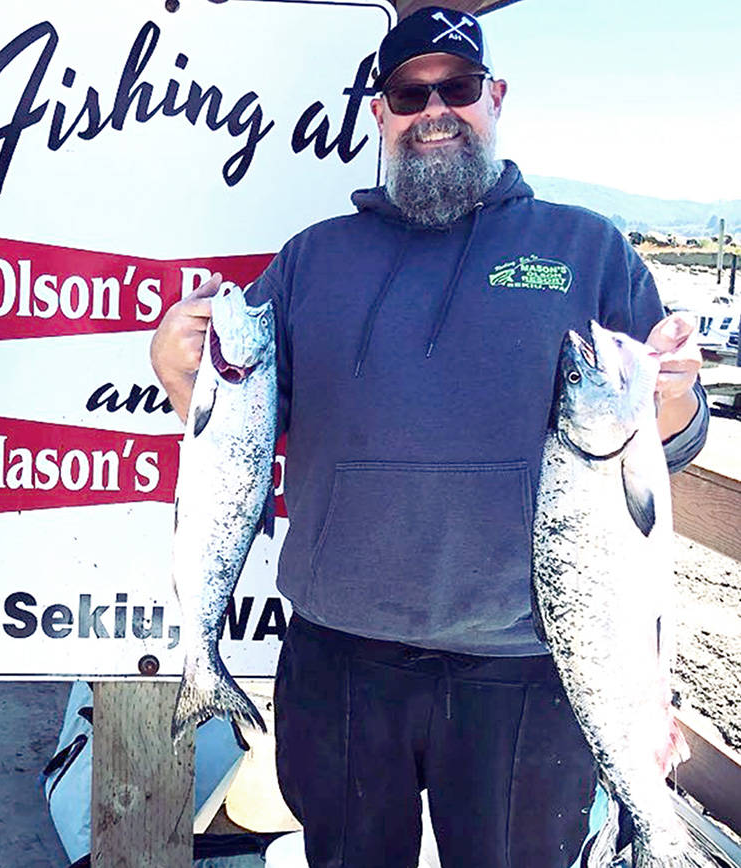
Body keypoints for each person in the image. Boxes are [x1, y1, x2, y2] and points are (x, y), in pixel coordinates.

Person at [150, 8, 708, 868]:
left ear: (496, 98)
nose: (435, 109)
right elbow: (242, 425)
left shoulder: (587, 246)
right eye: (411, 92)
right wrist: (177, 369)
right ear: (380, 113)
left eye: (459, 87)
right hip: (338, 658)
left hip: (528, 666)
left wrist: (673, 397)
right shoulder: (311, 259)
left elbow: (671, 442)